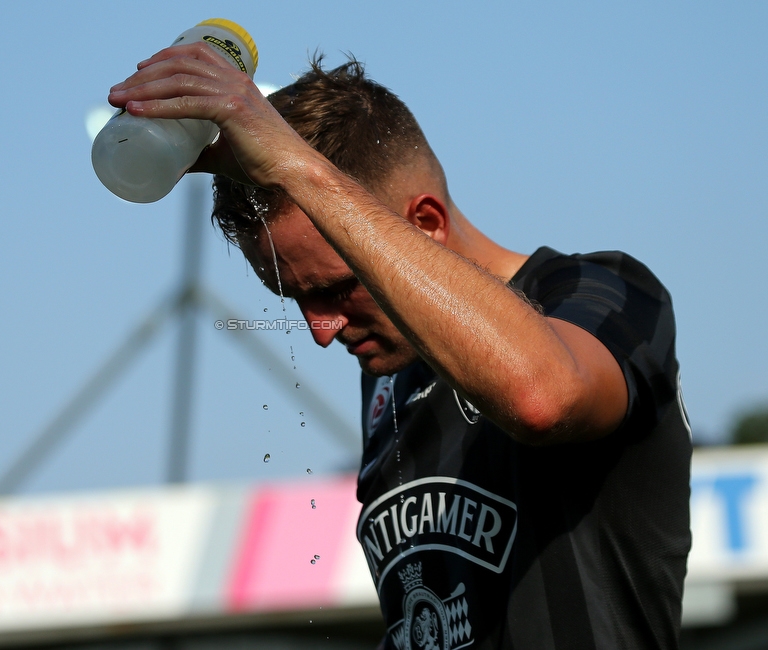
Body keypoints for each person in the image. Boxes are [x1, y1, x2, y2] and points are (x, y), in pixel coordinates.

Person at [108, 46, 692, 649]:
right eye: (297, 300)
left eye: (336, 288)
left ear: (426, 225)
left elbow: (539, 394)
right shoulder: (390, 375)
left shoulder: (606, 293)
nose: (319, 330)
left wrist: (296, 166)